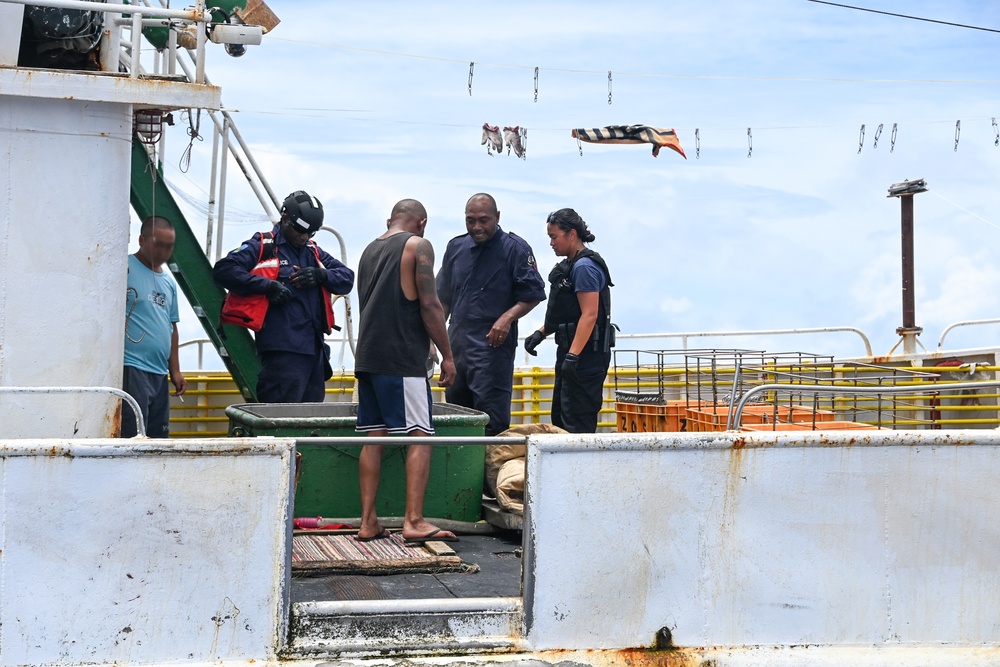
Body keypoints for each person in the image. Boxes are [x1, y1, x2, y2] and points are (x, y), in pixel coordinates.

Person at [354, 199, 459, 544]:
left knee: (375, 436)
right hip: (400, 359)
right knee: (421, 435)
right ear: (422, 222)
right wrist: (446, 354)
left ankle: (368, 521)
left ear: (391, 220)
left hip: (368, 357)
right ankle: (413, 520)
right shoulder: (418, 246)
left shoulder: (369, 250)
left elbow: (382, 305)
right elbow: (429, 303)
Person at [213, 190, 355, 403]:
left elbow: (347, 278)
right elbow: (224, 270)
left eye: (312, 233)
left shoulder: (312, 251)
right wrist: (267, 286)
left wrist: (321, 275)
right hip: (282, 353)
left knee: (311, 425)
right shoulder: (263, 246)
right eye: (301, 230)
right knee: (280, 418)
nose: (305, 237)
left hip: (314, 354)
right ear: (285, 219)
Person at [435, 193, 546, 436]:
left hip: (491, 347)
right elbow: (442, 300)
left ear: (497, 217)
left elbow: (534, 293)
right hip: (457, 345)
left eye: (484, 220)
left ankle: (491, 473)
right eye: (470, 220)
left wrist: (507, 318)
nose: (477, 227)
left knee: (490, 417)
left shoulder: (515, 249)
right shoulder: (456, 247)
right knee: (456, 416)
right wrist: (435, 342)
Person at [523, 209, 614, 433]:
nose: (551, 243)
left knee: (577, 421)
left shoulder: (584, 268)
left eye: (554, 237)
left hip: (585, 357)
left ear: (571, 234)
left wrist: (573, 356)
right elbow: (567, 311)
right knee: (562, 417)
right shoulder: (569, 266)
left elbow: (589, 314)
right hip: (571, 353)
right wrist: (541, 333)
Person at [122, 216, 188, 437]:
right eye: (158, 244)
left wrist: (175, 370)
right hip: (132, 367)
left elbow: (172, 327)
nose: (164, 251)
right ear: (141, 240)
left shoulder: (169, 283)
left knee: (158, 440)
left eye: (169, 246)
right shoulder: (124, 268)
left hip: (159, 373)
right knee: (133, 436)